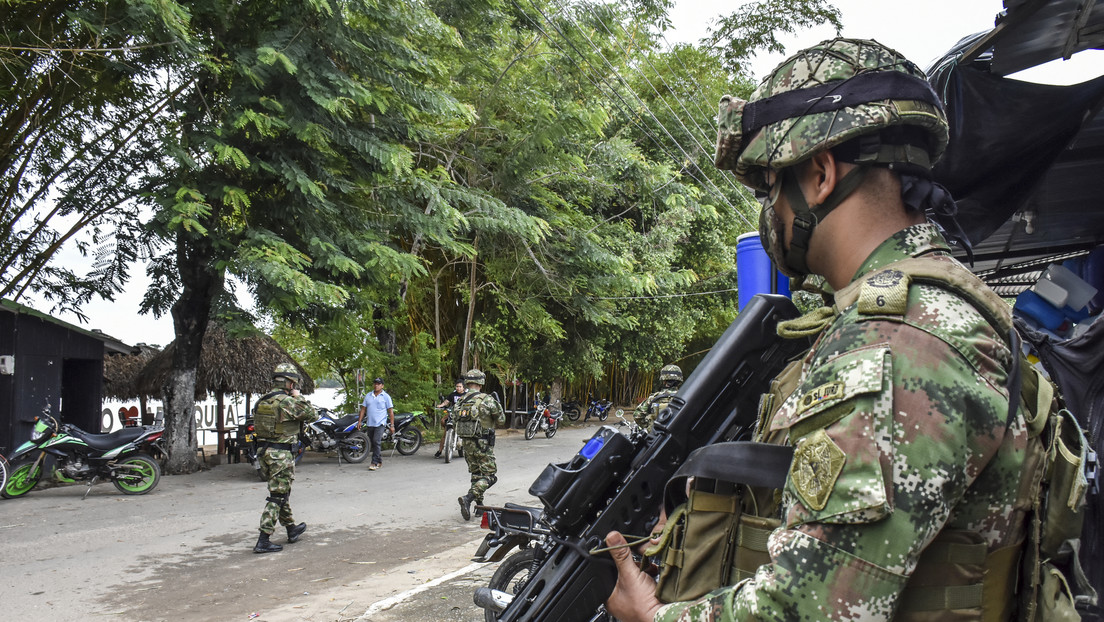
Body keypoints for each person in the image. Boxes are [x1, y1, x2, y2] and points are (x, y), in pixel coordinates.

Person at [605, 38, 1029, 621]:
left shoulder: (899, 340)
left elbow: (809, 610)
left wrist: (653, 618)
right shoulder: (904, 312)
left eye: (772, 187)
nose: (771, 209)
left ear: (821, 174)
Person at [252, 363, 319, 554]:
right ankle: (263, 539)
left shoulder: (263, 401)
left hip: (265, 452)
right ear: (290, 383)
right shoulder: (286, 402)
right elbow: (311, 414)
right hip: (281, 455)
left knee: (282, 492)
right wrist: (299, 397)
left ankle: (291, 529)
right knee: (277, 496)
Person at [455, 368, 505, 521]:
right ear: (481, 383)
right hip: (483, 444)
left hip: (467, 444)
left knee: (476, 474)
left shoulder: (461, 401)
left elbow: (454, 419)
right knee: (490, 476)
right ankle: (469, 498)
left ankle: (479, 506)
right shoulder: (487, 399)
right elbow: (501, 420)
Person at [357, 377, 394, 471]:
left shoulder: (385, 396)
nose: (376, 385)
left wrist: (392, 425)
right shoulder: (368, 396)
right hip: (370, 423)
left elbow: (390, 411)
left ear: (382, 386)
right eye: (375, 383)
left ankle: (374, 462)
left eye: (378, 384)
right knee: (372, 443)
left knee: (376, 441)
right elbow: (363, 409)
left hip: (380, 423)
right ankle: (379, 460)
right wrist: (360, 421)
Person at [632, 364, 683, 431]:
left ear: (664, 381)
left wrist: (649, 426)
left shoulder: (654, 398)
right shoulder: (684, 397)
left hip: (657, 436)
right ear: (679, 381)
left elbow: (637, 415)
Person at [434, 379, 467, 458]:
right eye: (457, 386)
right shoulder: (452, 394)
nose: (458, 388)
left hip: (463, 415)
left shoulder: (467, 395)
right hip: (453, 415)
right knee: (445, 432)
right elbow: (446, 402)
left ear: (463, 388)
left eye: (460, 386)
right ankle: (440, 451)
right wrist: (441, 405)